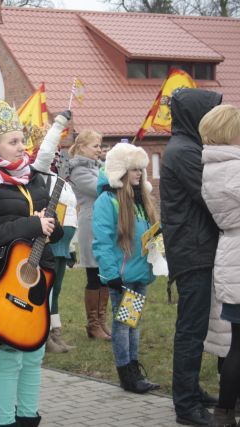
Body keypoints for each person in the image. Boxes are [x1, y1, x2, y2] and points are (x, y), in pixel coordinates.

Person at [0, 101, 69, 427]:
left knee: (35, 354)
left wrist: (53, 229)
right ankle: (4, 421)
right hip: (5, 280)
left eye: (22, 140)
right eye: (13, 141)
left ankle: (28, 418)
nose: (21, 146)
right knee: (9, 357)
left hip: (40, 276)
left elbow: (47, 224)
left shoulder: (33, 178)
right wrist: (31, 226)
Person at [160, 88, 222, 427]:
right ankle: (186, 405)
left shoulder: (185, 146)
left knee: (195, 328)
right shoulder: (184, 151)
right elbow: (209, 196)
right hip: (192, 251)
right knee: (191, 330)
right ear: (196, 115)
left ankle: (192, 391)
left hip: (195, 248)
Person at [92, 142, 159, 394]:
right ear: (121, 170)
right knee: (123, 325)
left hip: (140, 274)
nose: (139, 174)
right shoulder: (107, 201)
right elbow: (102, 241)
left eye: (141, 170)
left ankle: (134, 368)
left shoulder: (141, 202)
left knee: (133, 323)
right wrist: (110, 275)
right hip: (121, 277)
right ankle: (127, 375)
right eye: (133, 169)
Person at [199, 104, 240, 427]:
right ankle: (225, 411)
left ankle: (225, 411)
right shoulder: (233, 169)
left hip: (230, 254)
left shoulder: (214, 166)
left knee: (237, 342)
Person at [68, 131, 111, 341]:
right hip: (91, 225)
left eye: (99, 146)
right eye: (95, 146)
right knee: (94, 275)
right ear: (82, 147)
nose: (99, 150)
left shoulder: (98, 167)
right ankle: (93, 324)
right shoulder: (78, 170)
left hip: (104, 226)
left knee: (106, 274)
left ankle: (102, 321)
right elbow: (101, 189)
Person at [45, 151, 78, 353]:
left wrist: (72, 247)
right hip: (51, 243)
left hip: (63, 246)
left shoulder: (65, 183)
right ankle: (46, 333)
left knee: (56, 290)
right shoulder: (44, 180)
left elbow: (71, 215)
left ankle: (56, 332)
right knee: (48, 291)